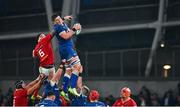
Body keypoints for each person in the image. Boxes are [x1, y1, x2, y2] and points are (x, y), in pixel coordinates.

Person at [52, 14, 83, 97]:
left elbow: (69, 31)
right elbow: (66, 36)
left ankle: (64, 90)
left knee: (68, 70)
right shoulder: (58, 27)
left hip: (65, 50)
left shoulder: (62, 23)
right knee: (78, 66)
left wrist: (77, 30)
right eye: (57, 21)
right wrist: (74, 29)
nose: (59, 21)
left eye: (60, 19)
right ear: (54, 23)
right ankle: (72, 87)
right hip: (67, 49)